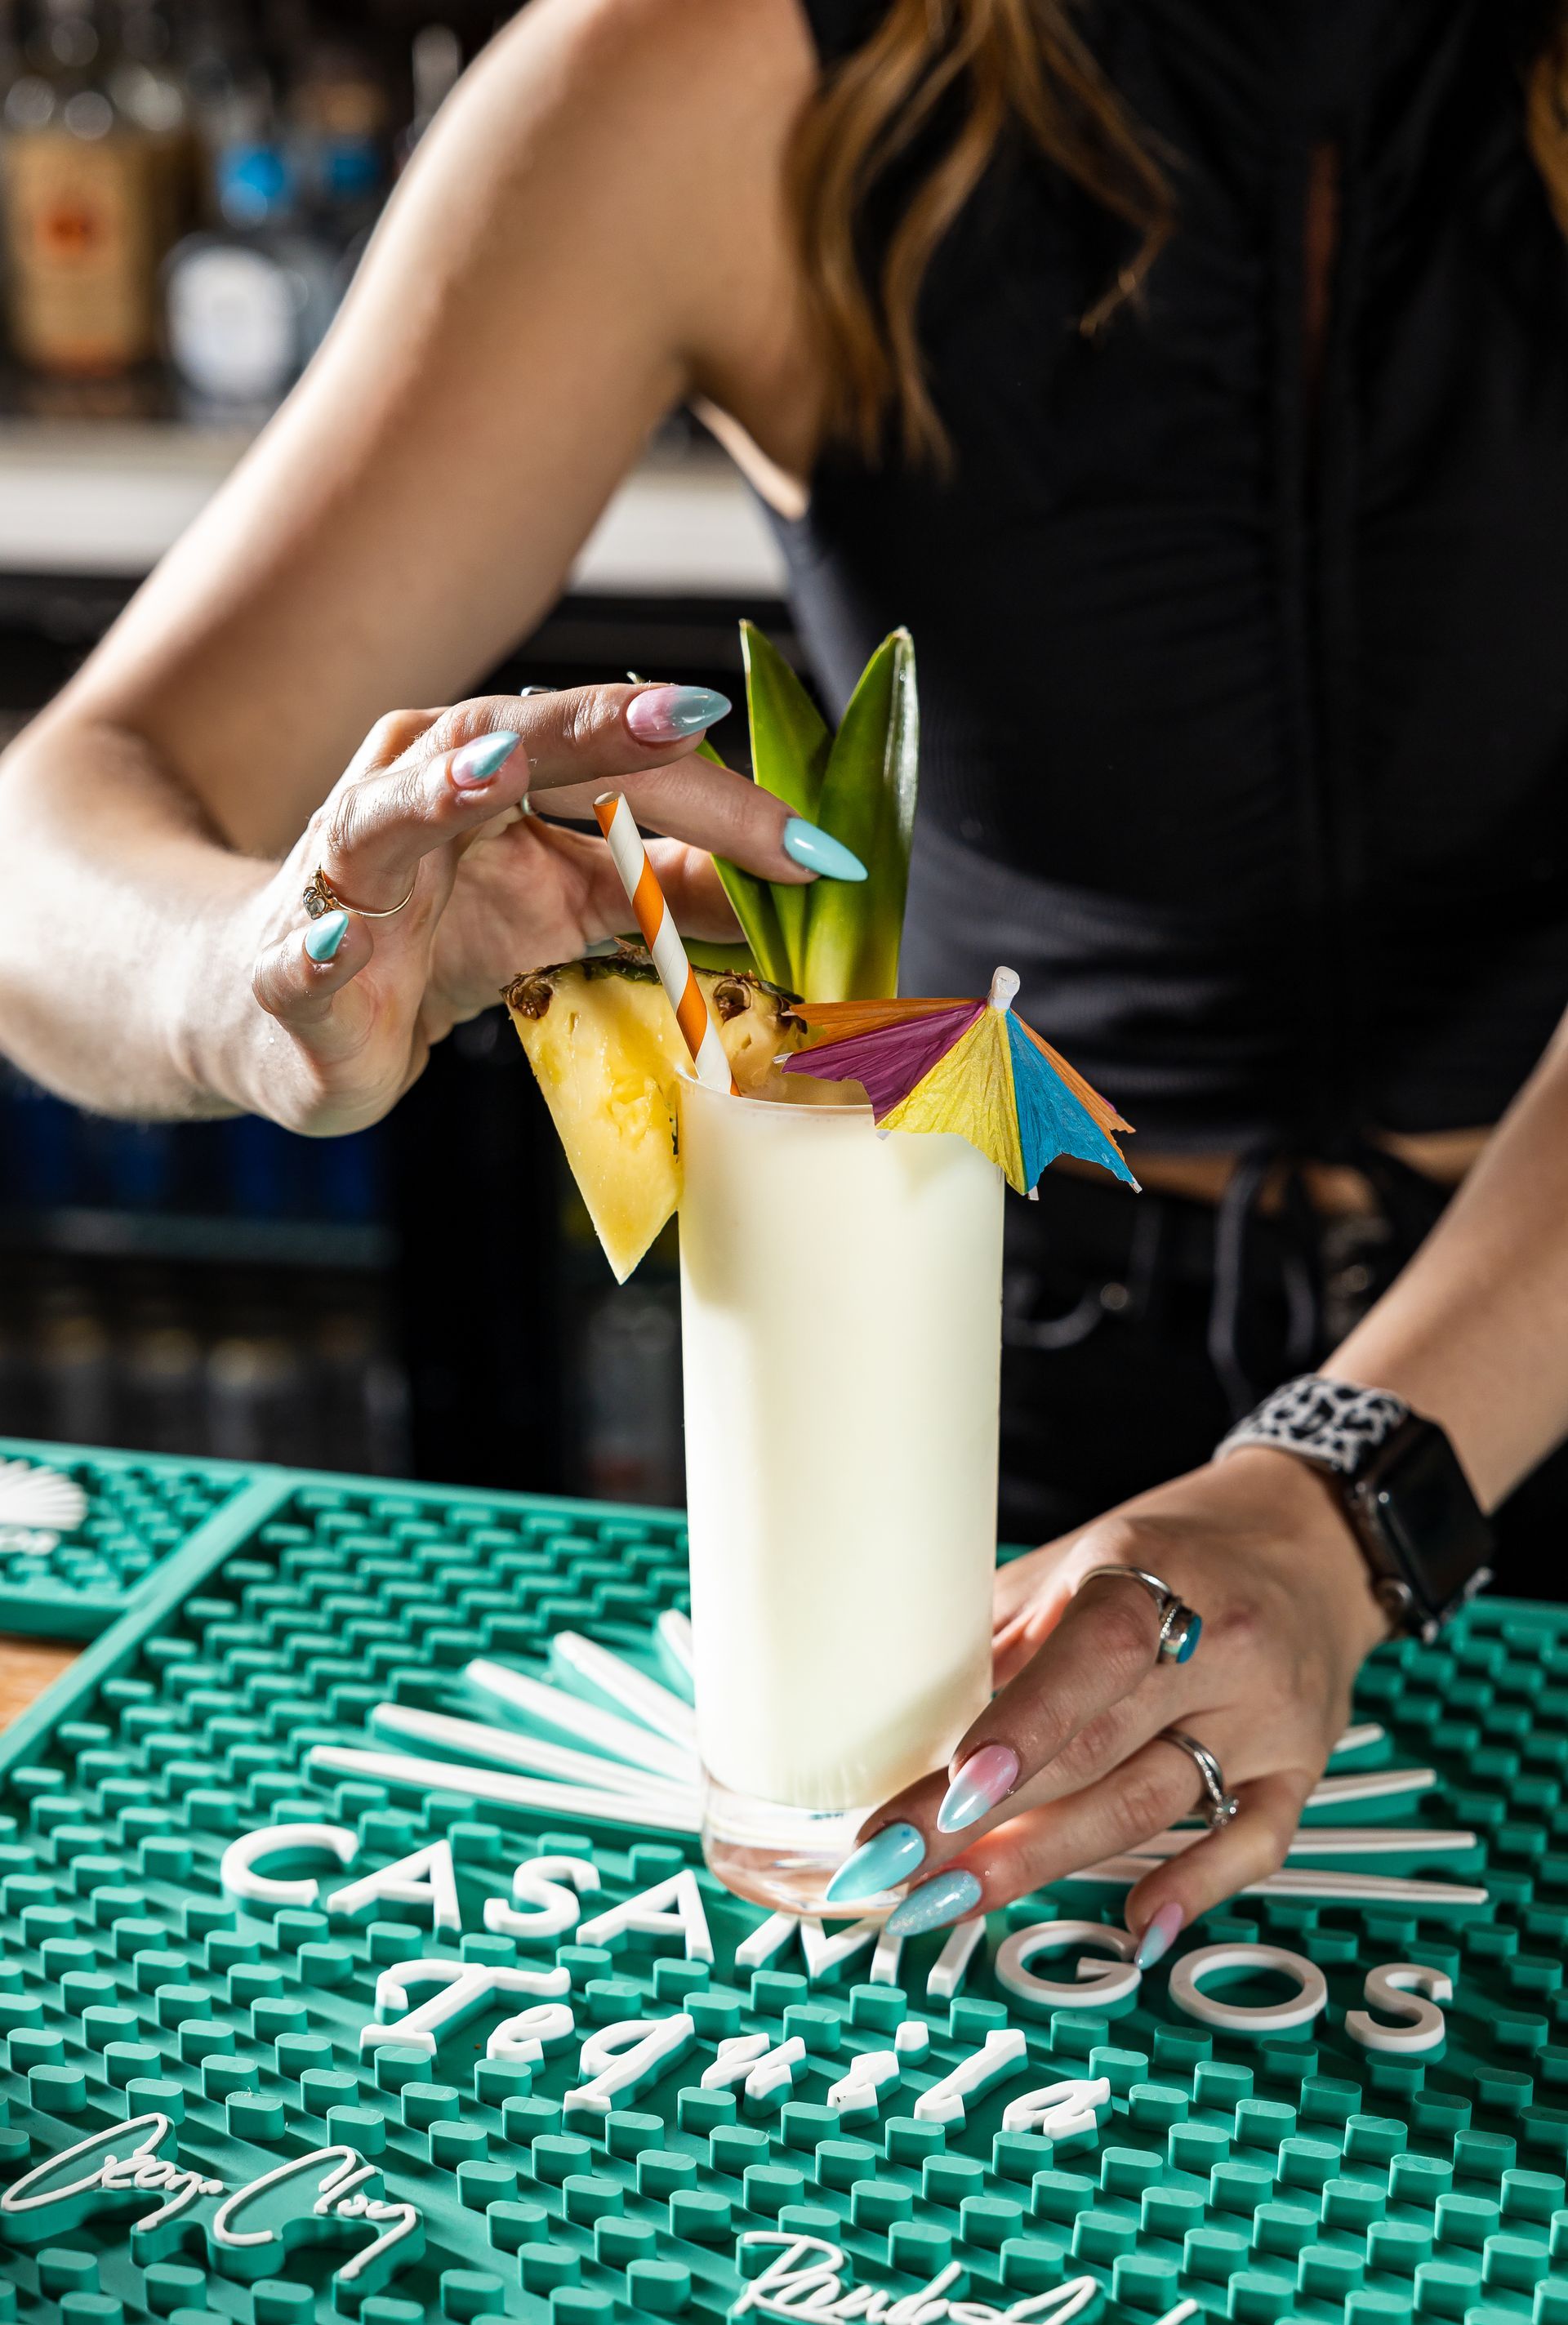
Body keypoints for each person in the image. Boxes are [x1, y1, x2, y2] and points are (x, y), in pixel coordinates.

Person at [1, 0, 1564, 1951]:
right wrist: (254, 980)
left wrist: (1333, 1496)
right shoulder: (702, 70)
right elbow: (48, 839)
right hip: (970, 1448)